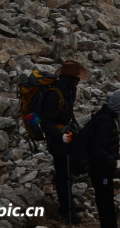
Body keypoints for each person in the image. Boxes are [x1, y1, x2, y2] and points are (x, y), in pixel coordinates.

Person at [42, 60, 89, 223]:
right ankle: (65, 210)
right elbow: (46, 123)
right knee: (63, 174)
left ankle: (69, 202)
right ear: (69, 78)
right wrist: (59, 135)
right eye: (77, 79)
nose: (78, 82)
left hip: (67, 136)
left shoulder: (69, 90)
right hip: (57, 140)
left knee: (70, 172)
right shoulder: (54, 94)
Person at [84, 89, 120, 228]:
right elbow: (98, 150)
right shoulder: (105, 120)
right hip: (100, 170)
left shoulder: (106, 116)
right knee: (105, 202)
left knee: (106, 200)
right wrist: (114, 163)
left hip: (102, 169)